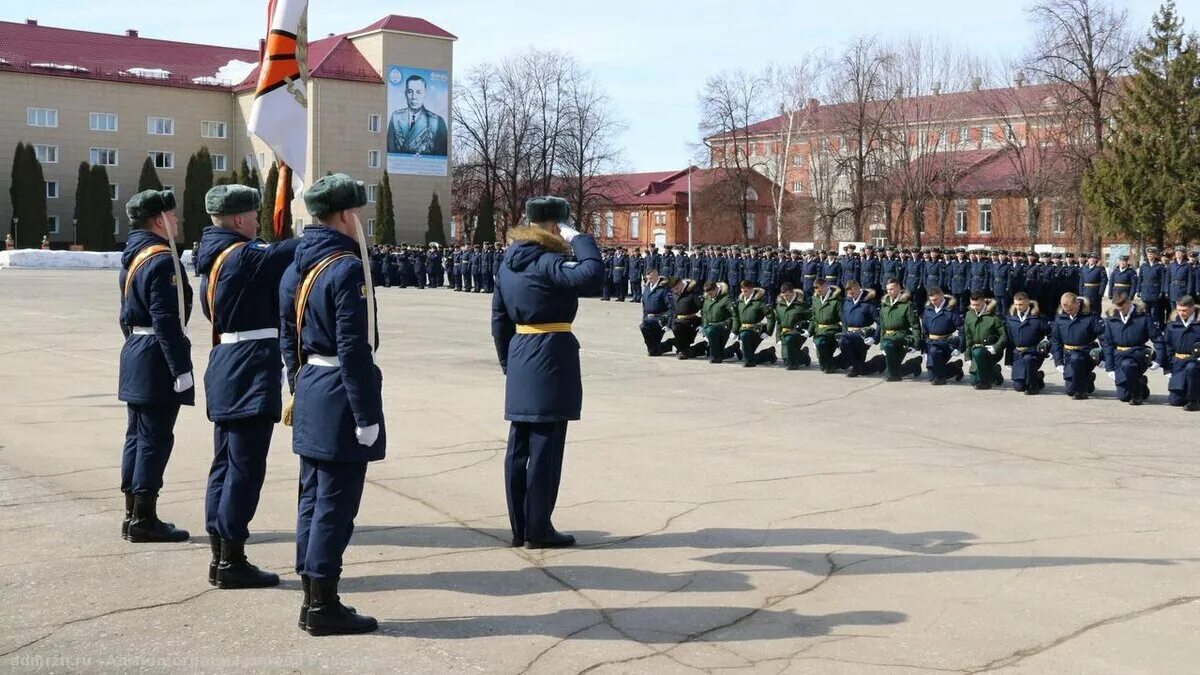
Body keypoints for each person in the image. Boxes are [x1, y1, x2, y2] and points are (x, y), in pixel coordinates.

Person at [280, 174, 385, 635]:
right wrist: (365, 415)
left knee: (312, 498)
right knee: (335, 504)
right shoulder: (344, 268)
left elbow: (289, 338)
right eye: (356, 212)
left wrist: (296, 384)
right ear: (344, 216)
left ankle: (312, 597)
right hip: (340, 395)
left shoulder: (297, 265)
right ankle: (323, 605)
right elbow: (354, 348)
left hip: (311, 389)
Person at [196, 185, 299, 589]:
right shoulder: (241, 256)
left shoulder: (213, 256)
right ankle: (232, 558)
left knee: (224, 465)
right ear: (238, 220)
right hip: (248, 371)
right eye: (254, 216)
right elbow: (288, 252)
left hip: (227, 365)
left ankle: (221, 554)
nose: (259, 222)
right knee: (244, 467)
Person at [491, 196, 604, 550]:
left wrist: (509, 364)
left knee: (519, 447)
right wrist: (581, 239)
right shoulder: (548, 261)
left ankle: (520, 527)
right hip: (550, 357)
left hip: (521, 354)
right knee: (545, 447)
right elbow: (592, 275)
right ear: (556, 227)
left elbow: (498, 320)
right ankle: (538, 529)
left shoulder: (508, 264)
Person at [117, 189, 193, 543]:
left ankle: (133, 512)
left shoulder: (134, 257)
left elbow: (125, 317)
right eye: (171, 215)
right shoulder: (162, 260)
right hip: (156, 356)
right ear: (158, 220)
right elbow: (167, 319)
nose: (175, 221)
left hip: (137, 349)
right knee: (154, 439)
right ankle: (144, 518)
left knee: (137, 436)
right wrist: (180, 368)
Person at [1100, 293, 1157, 406]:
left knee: (1128, 364)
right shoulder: (1111, 320)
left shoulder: (1143, 317)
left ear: (1129, 302)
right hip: (1118, 355)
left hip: (1137, 354)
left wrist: (1159, 359)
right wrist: (1110, 367)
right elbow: (1108, 345)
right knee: (1123, 396)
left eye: (1123, 308)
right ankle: (1140, 384)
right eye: (1118, 308)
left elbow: (1157, 338)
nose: (1121, 311)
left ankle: (1136, 397)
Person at [1050, 292, 1104, 401]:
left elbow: (1104, 337)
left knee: (1077, 359)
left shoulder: (1090, 317)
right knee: (1070, 390)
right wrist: (1058, 361)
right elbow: (1056, 341)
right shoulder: (1060, 319)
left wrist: (1104, 358)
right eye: (1065, 309)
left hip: (1086, 354)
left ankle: (1081, 392)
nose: (1067, 312)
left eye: (1070, 309)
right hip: (1068, 355)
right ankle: (1088, 379)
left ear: (1077, 304)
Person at [387, 74, 449, 156]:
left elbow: (442, 156)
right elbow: (390, 151)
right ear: (406, 94)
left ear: (425, 94)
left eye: (418, 92)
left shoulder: (436, 121)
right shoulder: (395, 117)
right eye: (410, 91)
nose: (413, 97)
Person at [1157, 295, 1200, 410]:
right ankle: (1187, 395)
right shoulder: (1172, 325)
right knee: (1175, 401)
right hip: (1178, 363)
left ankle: (1194, 401)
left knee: (1192, 368)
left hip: (1195, 362)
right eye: (1179, 310)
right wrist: (1167, 367)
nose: (1181, 313)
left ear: (1192, 308)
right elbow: (1167, 346)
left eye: (1184, 310)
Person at [1005, 292, 1050, 395]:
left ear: (1028, 303)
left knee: (1028, 359)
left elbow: (1051, 335)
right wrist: (1008, 360)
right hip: (1018, 354)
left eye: (1021, 304)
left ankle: (1033, 387)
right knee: (1018, 387)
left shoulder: (1038, 318)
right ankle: (1038, 377)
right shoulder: (1011, 319)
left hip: (1034, 353)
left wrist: (1047, 347)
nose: (1018, 307)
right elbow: (1010, 341)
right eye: (1016, 304)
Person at [877, 278, 922, 382]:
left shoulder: (906, 305)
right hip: (888, 337)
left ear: (898, 288)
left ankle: (893, 376)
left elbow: (915, 325)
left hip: (901, 336)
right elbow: (882, 326)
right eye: (888, 289)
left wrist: (916, 343)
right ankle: (913, 365)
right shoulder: (885, 305)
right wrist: (881, 343)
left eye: (892, 289)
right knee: (894, 369)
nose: (889, 291)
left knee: (892, 370)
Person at [920, 287, 965, 386]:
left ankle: (941, 378)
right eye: (931, 300)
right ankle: (955, 368)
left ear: (941, 296)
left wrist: (960, 348)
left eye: (935, 299)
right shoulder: (928, 310)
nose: (933, 302)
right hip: (931, 342)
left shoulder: (951, 310)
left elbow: (962, 329)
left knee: (934, 352)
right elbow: (924, 331)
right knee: (932, 377)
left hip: (945, 343)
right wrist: (924, 349)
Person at [839, 280, 884, 377]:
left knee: (844, 342)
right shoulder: (847, 302)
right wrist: (844, 332)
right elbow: (844, 320)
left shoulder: (869, 303)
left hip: (863, 336)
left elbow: (880, 322)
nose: (851, 295)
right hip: (849, 334)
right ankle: (879, 362)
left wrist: (875, 337)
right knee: (861, 369)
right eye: (849, 293)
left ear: (858, 288)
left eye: (853, 292)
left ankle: (859, 366)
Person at [963, 293, 1006, 390]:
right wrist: (968, 356)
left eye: (977, 305)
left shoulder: (994, 316)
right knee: (973, 381)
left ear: (983, 302)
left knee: (979, 353)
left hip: (991, 351)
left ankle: (985, 382)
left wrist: (996, 347)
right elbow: (968, 337)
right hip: (975, 351)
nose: (974, 307)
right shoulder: (969, 315)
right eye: (972, 304)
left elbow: (1003, 336)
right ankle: (995, 371)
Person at [732, 280, 778, 367]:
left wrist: (768, 331)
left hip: (756, 331)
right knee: (746, 358)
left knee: (745, 337)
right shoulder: (741, 302)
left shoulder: (759, 302)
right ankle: (768, 354)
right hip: (743, 329)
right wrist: (734, 330)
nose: (743, 293)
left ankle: (750, 360)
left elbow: (771, 316)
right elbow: (736, 317)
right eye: (742, 291)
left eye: (745, 291)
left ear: (751, 289)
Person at [772, 282, 811, 370]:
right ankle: (804, 355)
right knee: (786, 359)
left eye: (787, 295)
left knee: (790, 358)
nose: (785, 297)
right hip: (784, 333)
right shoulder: (780, 306)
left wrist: (808, 330)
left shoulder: (802, 305)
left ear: (792, 292)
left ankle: (794, 364)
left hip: (797, 333)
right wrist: (778, 337)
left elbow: (812, 318)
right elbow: (778, 322)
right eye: (784, 295)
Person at [809, 276, 843, 373]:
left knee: (821, 343)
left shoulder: (836, 300)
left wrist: (844, 335)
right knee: (823, 365)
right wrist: (809, 331)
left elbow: (843, 319)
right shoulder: (815, 299)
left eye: (820, 290)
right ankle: (830, 364)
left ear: (825, 286)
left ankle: (833, 364)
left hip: (832, 331)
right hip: (819, 331)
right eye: (816, 291)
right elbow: (814, 317)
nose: (818, 293)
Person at [700, 282, 739, 363]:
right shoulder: (707, 297)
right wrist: (704, 329)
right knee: (719, 353)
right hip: (711, 328)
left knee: (715, 353)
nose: (709, 295)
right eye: (708, 294)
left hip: (723, 327)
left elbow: (735, 315)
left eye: (711, 293)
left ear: (716, 289)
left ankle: (715, 357)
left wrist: (734, 330)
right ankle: (733, 348)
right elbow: (704, 313)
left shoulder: (726, 298)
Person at [640, 268, 675, 356]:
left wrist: (669, 323)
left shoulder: (664, 288)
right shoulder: (647, 288)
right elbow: (644, 305)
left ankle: (662, 346)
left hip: (660, 319)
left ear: (656, 275)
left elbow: (671, 307)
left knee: (644, 328)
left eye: (651, 278)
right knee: (653, 350)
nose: (649, 280)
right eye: (648, 278)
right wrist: (644, 317)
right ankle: (667, 345)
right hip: (649, 318)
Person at [671, 278, 707, 359]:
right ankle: (701, 347)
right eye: (674, 290)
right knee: (685, 350)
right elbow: (673, 309)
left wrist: (703, 324)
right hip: (678, 320)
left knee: (677, 329)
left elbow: (703, 309)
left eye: (677, 288)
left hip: (691, 321)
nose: (676, 291)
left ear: (680, 283)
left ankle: (684, 350)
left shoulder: (693, 291)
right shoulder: (674, 293)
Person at [1138, 247, 1167, 327]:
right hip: (1145, 291)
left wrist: (1161, 291)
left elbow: (1163, 280)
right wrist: (1138, 290)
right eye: (1148, 254)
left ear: (1155, 255)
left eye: (1152, 254)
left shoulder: (1159, 266)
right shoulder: (1143, 266)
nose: (1150, 255)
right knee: (1145, 310)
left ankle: (1154, 326)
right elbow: (1140, 279)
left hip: (1155, 291)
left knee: (1154, 311)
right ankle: (1147, 326)